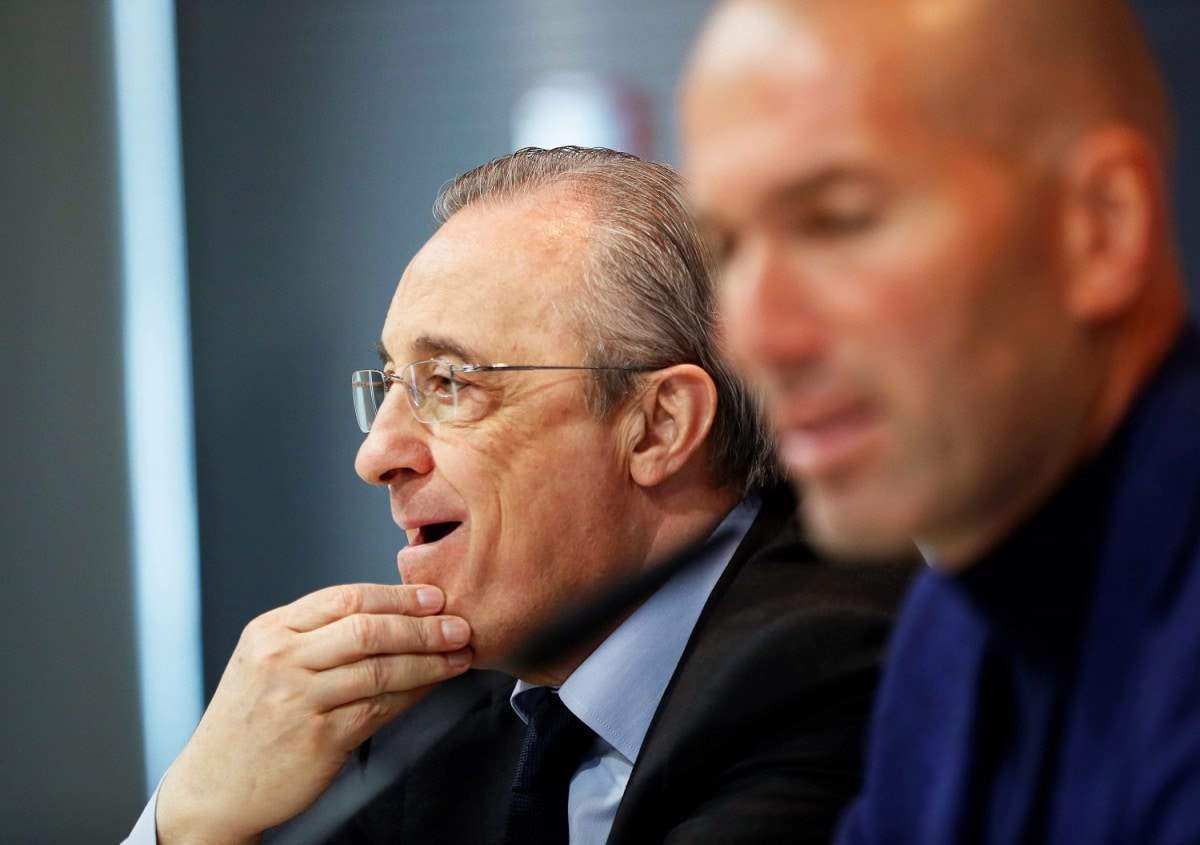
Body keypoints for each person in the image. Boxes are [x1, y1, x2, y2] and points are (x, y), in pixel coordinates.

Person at [125, 147, 913, 845]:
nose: (376, 454)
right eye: (390, 383)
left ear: (657, 426)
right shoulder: (430, 712)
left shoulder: (843, 668)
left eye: (449, 382)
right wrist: (195, 817)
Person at [681, 0, 1200, 842]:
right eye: (728, 250)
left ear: (1101, 227)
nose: (755, 337)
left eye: (838, 221)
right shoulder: (949, 624)